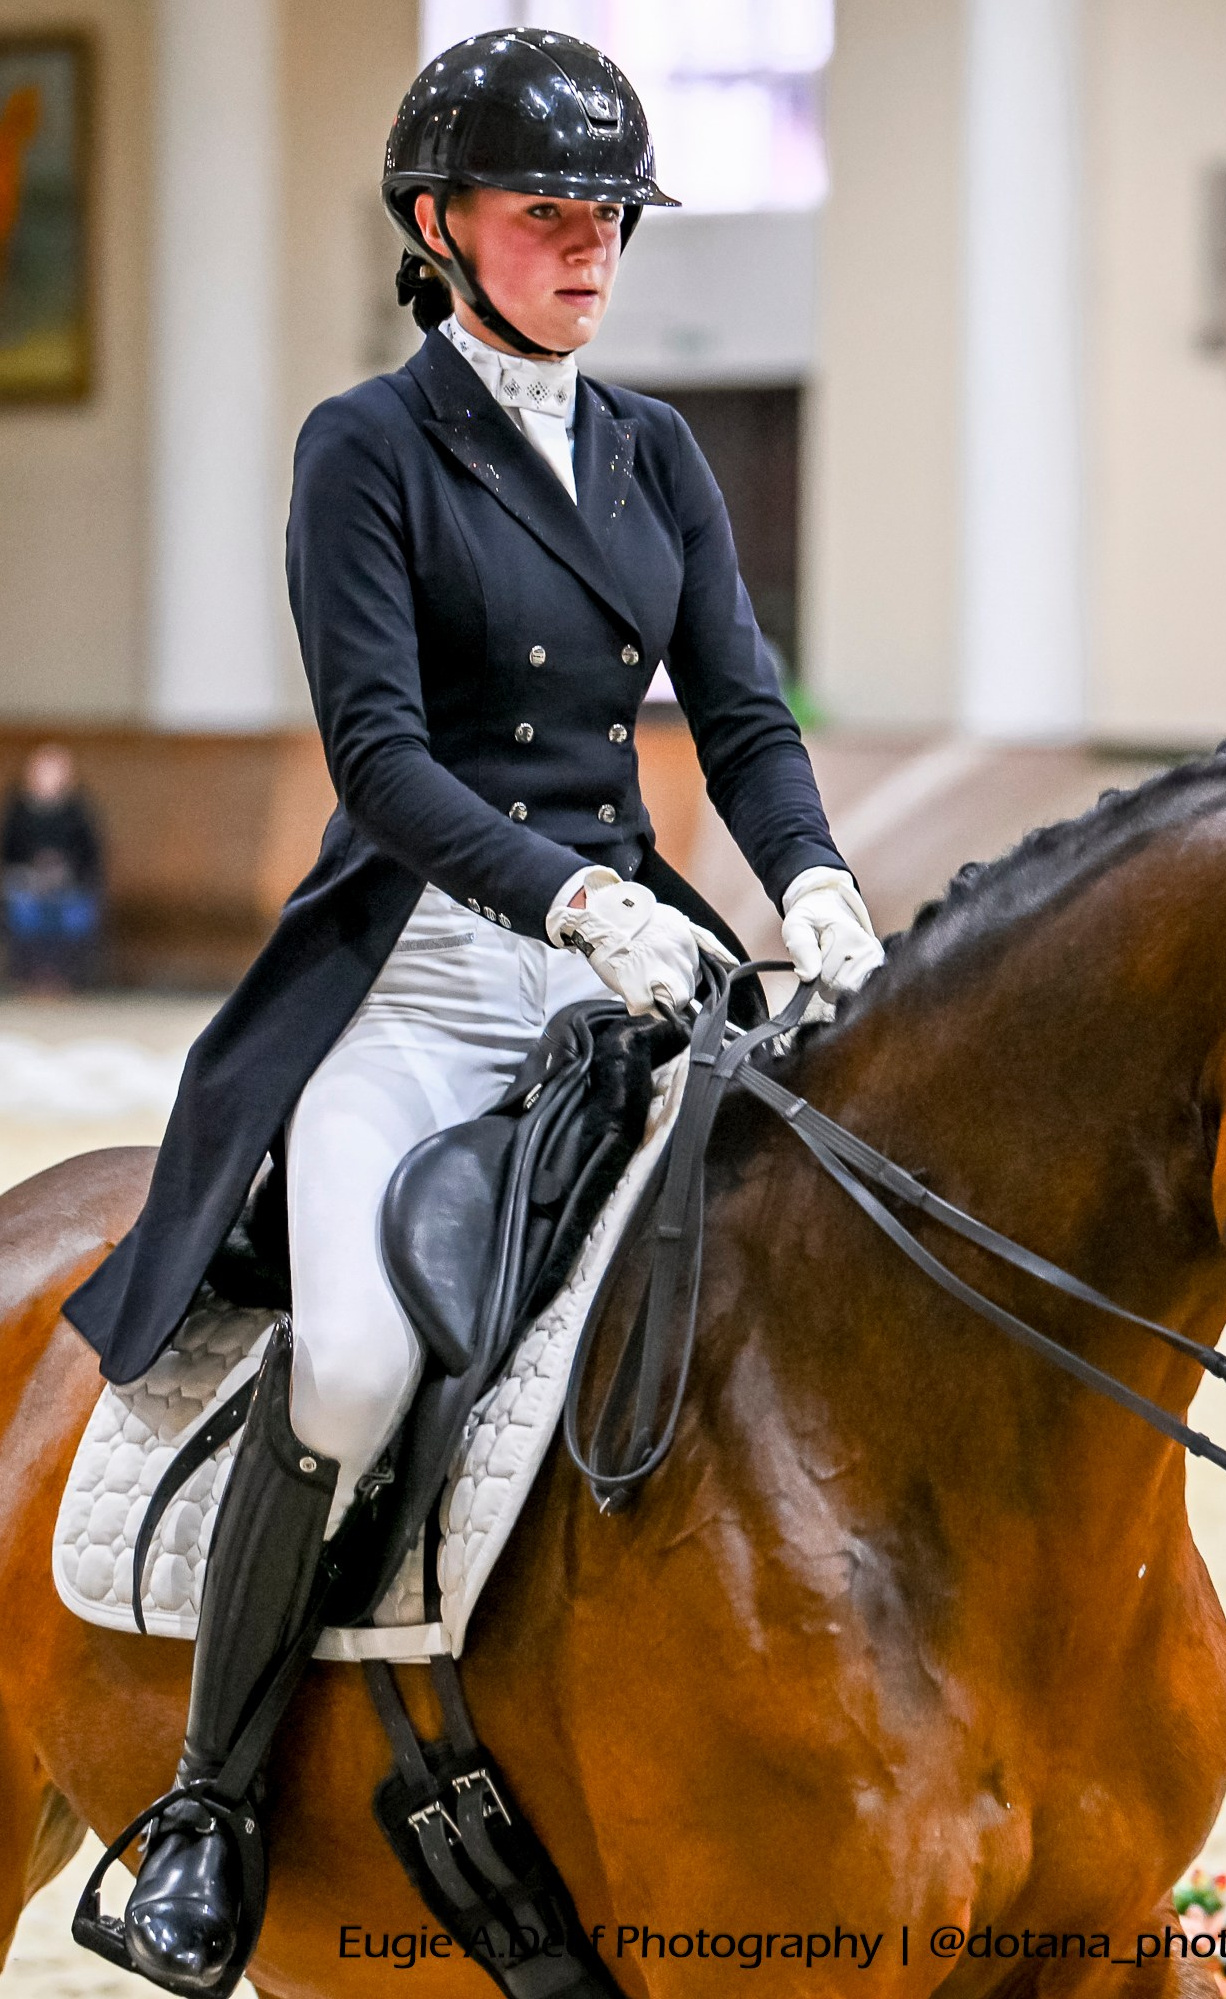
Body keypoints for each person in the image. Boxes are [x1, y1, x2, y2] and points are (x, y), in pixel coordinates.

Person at [59, 30, 884, 1992]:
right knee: (351, 1363)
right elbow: (379, 757)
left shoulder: (657, 453)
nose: (591, 245)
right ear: (441, 230)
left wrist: (821, 886)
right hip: (422, 978)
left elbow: (746, 722)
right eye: (549, 212)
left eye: (610, 212)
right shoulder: (368, 444)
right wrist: (578, 894)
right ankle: (210, 1799)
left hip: (645, 969)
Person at [0, 742, 104, 990]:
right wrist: (31, 870)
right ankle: (31, 979)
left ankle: (62, 981)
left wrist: (63, 870)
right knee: (24, 909)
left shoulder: (77, 810)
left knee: (72, 913)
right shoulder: (18, 810)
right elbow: (8, 851)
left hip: (69, 884)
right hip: (27, 883)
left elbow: (90, 854)